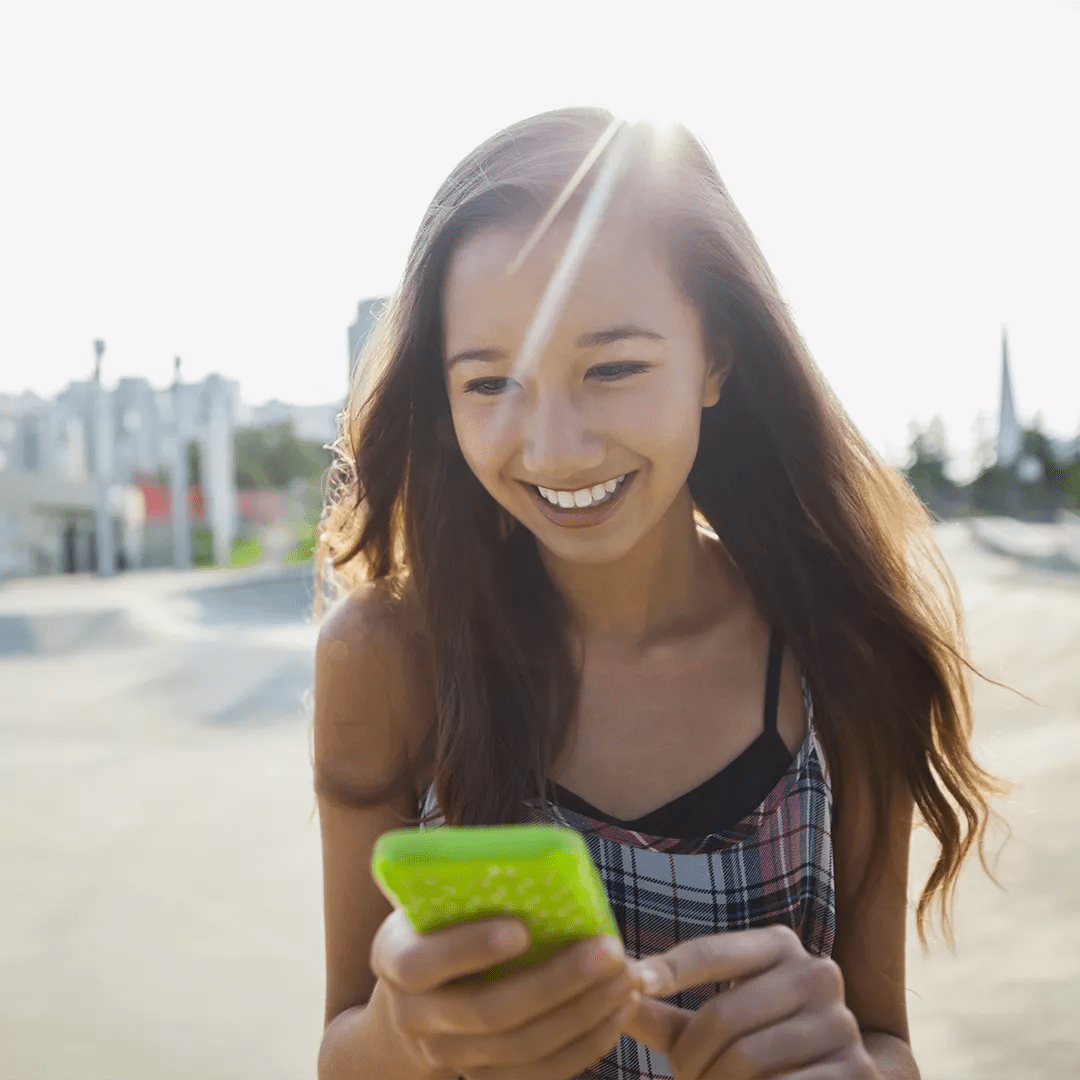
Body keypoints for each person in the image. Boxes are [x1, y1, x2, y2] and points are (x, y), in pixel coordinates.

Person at [311, 107, 1003, 1080]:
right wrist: (405, 1031)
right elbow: (341, 1051)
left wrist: (851, 1064)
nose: (554, 447)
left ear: (715, 355)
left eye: (615, 367)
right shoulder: (386, 660)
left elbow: (884, 1040)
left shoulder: (842, 651)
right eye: (490, 382)